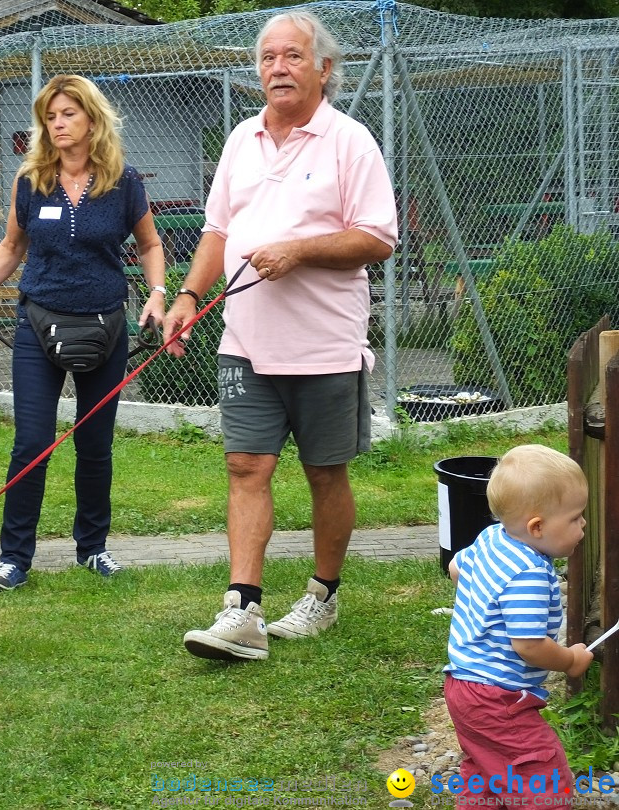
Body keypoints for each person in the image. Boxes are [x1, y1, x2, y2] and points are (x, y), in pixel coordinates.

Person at [164, 11, 398, 660]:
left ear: (324, 68)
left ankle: (322, 595)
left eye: (293, 56)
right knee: (245, 465)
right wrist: (188, 295)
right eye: (268, 58)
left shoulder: (350, 142)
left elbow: (377, 238)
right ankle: (242, 609)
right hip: (246, 343)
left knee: (325, 473)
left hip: (325, 346)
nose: (277, 68)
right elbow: (217, 232)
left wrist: (298, 251)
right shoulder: (241, 140)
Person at [0, 74, 166, 591]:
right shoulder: (31, 181)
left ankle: (93, 548)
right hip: (37, 324)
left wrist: (156, 292)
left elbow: (150, 245)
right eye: (50, 116)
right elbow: (10, 248)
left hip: (104, 325)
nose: (58, 124)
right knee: (32, 443)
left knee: (94, 444)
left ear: (92, 119)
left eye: (68, 113)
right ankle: (14, 558)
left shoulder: (124, 181)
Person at [444, 444, 593, 806]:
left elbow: (456, 568)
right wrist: (570, 661)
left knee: (487, 761)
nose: (583, 525)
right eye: (575, 518)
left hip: (462, 684)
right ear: (537, 527)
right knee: (541, 769)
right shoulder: (529, 575)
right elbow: (528, 645)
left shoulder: (493, 538)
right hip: (498, 696)